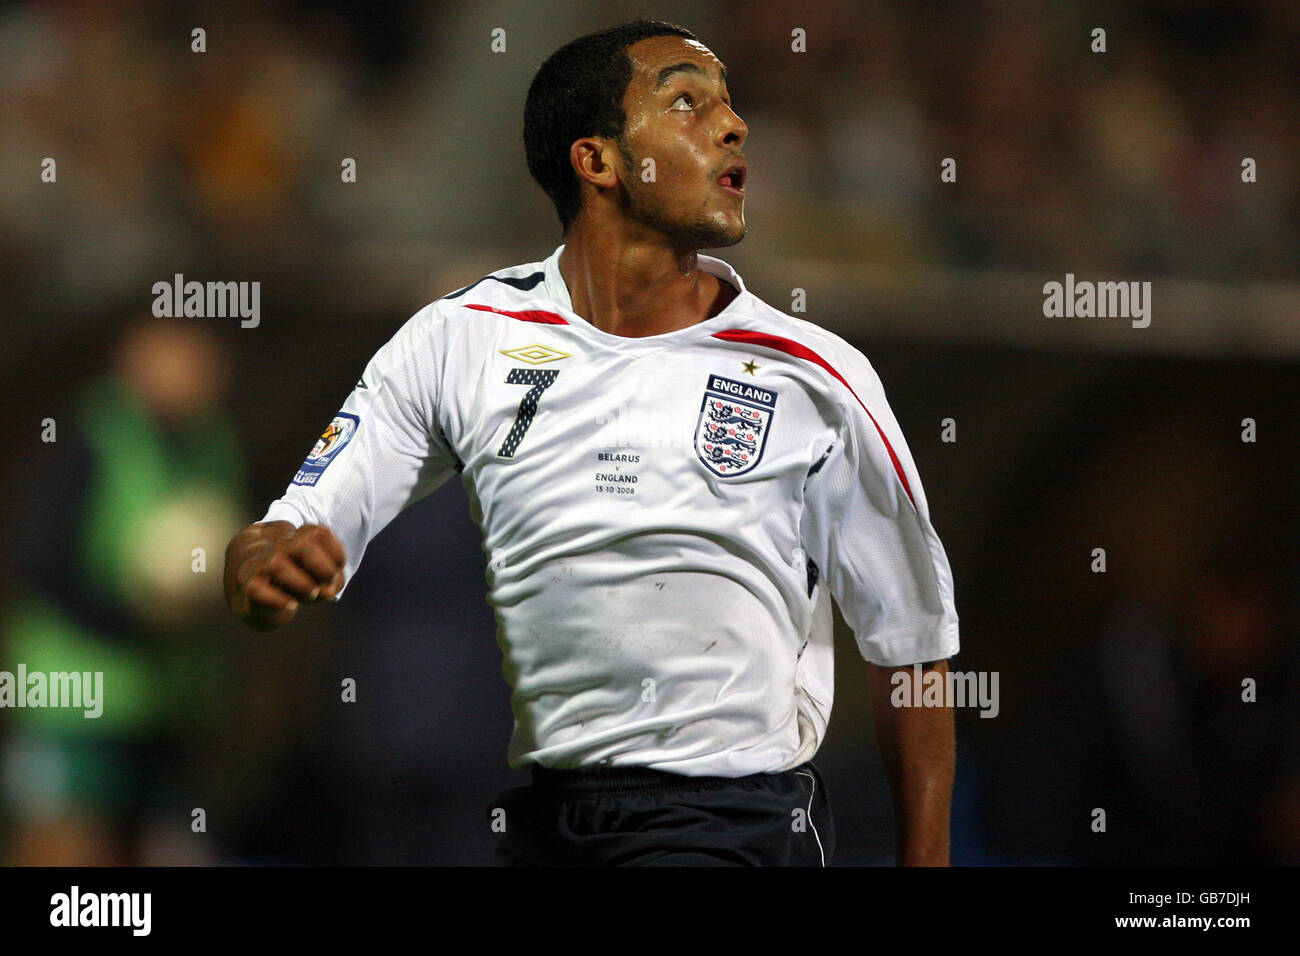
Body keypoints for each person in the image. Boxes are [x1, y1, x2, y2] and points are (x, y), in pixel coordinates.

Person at [223, 19, 959, 866]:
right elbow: (288, 528)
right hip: (552, 820)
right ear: (598, 161)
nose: (734, 125)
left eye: (729, 104)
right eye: (687, 102)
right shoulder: (459, 341)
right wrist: (261, 572)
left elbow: (911, 642)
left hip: (733, 823)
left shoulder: (815, 378)